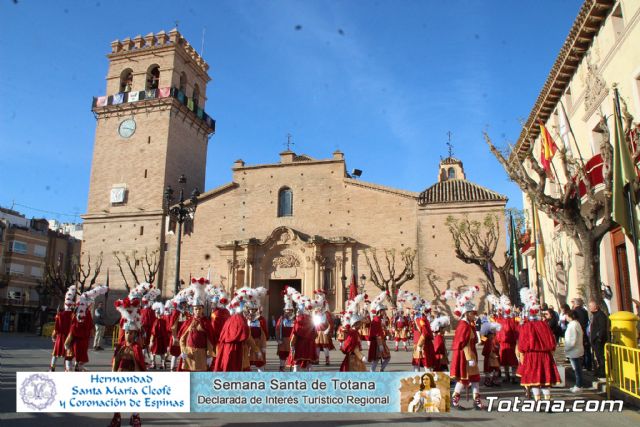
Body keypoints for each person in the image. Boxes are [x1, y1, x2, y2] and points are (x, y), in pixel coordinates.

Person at [517, 287, 561, 402]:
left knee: (534, 380)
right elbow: (552, 341)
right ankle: (548, 400)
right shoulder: (544, 324)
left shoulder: (526, 326)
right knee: (545, 380)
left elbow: (522, 344)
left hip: (532, 356)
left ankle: (537, 401)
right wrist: (551, 352)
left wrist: (521, 353)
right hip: (545, 356)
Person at [110, 294, 146, 427]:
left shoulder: (136, 348)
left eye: (131, 333)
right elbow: (115, 361)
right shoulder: (120, 347)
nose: (128, 335)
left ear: (135, 334)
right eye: (126, 333)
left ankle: (135, 416)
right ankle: (116, 416)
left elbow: (140, 363)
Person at [445, 285, 483, 410]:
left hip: (470, 355)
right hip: (466, 356)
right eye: (473, 313)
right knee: (464, 379)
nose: (474, 316)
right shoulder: (464, 325)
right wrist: (469, 358)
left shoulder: (468, 324)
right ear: (467, 313)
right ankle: (454, 400)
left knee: (475, 378)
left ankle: (476, 400)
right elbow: (463, 343)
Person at [214, 287, 263, 372]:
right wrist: (256, 350)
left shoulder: (230, 319)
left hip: (227, 351)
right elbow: (247, 336)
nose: (249, 313)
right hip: (238, 351)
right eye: (248, 310)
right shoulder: (240, 320)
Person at [287, 290, 318, 372]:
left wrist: (292, 345)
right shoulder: (311, 321)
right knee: (309, 363)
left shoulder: (298, 321)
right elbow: (315, 334)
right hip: (310, 345)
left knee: (297, 362)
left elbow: (295, 333)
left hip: (300, 345)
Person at [339, 294, 368, 372]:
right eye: (359, 323)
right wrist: (361, 356)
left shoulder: (355, 332)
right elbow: (353, 347)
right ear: (355, 324)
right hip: (353, 356)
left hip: (354, 356)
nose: (360, 324)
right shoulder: (353, 333)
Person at [50, 286, 76, 371]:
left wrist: (53, 336)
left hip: (60, 338)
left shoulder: (60, 315)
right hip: (69, 338)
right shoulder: (73, 315)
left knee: (55, 353)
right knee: (68, 355)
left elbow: (56, 327)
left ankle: (52, 367)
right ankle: (68, 370)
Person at [495, 295, 519, 383]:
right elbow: (516, 331)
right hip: (509, 343)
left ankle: (508, 376)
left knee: (506, 361)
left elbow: (498, 333)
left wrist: (498, 341)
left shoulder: (502, 321)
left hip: (505, 344)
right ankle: (511, 376)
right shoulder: (510, 321)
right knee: (510, 361)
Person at [368, 291, 392, 372]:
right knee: (376, 359)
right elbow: (376, 333)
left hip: (381, 341)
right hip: (378, 342)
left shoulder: (379, 319)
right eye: (383, 311)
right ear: (380, 311)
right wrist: (380, 344)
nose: (384, 312)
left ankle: (381, 369)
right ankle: (372, 372)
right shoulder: (376, 320)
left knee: (387, 357)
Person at [208, 286, 230, 369]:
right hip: (226, 338)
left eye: (212, 303)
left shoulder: (215, 314)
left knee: (216, 358)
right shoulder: (227, 312)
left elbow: (213, 328)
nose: (211, 305)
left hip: (217, 339)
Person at [588, 299, 610, 379]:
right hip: (594, 340)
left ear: (595, 307)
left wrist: (599, 338)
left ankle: (603, 372)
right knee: (596, 356)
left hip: (598, 341)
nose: (589, 308)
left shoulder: (600, 315)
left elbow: (602, 328)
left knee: (600, 356)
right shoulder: (594, 315)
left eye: (590, 306)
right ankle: (598, 370)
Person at [564, 309, 585, 393]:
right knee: (577, 369)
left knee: (577, 369)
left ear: (570, 316)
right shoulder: (575, 324)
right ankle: (578, 384)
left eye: (566, 315)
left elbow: (572, 340)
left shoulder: (573, 325)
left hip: (574, 351)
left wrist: (566, 348)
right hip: (576, 350)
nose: (565, 317)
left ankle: (579, 385)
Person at [313, 290, 335, 365]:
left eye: (320, 306)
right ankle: (317, 359)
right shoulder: (315, 314)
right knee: (317, 346)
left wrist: (328, 330)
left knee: (325, 346)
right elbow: (313, 323)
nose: (319, 308)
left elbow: (331, 323)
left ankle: (327, 360)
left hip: (324, 332)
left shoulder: (326, 314)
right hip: (317, 332)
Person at [276, 294, 295, 371]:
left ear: (292, 311)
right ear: (284, 310)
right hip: (283, 339)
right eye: (287, 310)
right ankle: (281, 367)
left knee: (292, 354)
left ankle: (291, 367)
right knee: (282, 354)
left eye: (290, 310)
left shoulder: (295, 319)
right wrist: (278, 339)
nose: (288, 312)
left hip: (292, 339)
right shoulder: (281, 319)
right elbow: (277, 329)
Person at [572, 298, 591, 371]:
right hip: (584, 330)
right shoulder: (584, 311)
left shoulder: (575, 312)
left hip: (579, 331)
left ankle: (583, 364)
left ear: (576, 304)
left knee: (581, 349)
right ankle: (588, 365)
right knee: (587, 349)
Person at [148, 302, 169, 369]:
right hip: (163, 339)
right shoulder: (164, 321)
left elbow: (153, 332)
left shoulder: (156, 321)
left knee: (153, 352)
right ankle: (163, 364)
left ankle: (153, 364)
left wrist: (151, 341)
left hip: (156, 340)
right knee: (162, 352)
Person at [481, 321, 501, 387]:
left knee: (495, 369)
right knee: (489, 370)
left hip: (494, 358)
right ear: (489, 335)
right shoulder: (488, 341)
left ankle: (493, 380)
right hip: (489, 358)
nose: (493, 335)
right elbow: (485, 350)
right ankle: (488, 380)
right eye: (492, 334)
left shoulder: (493, 340)